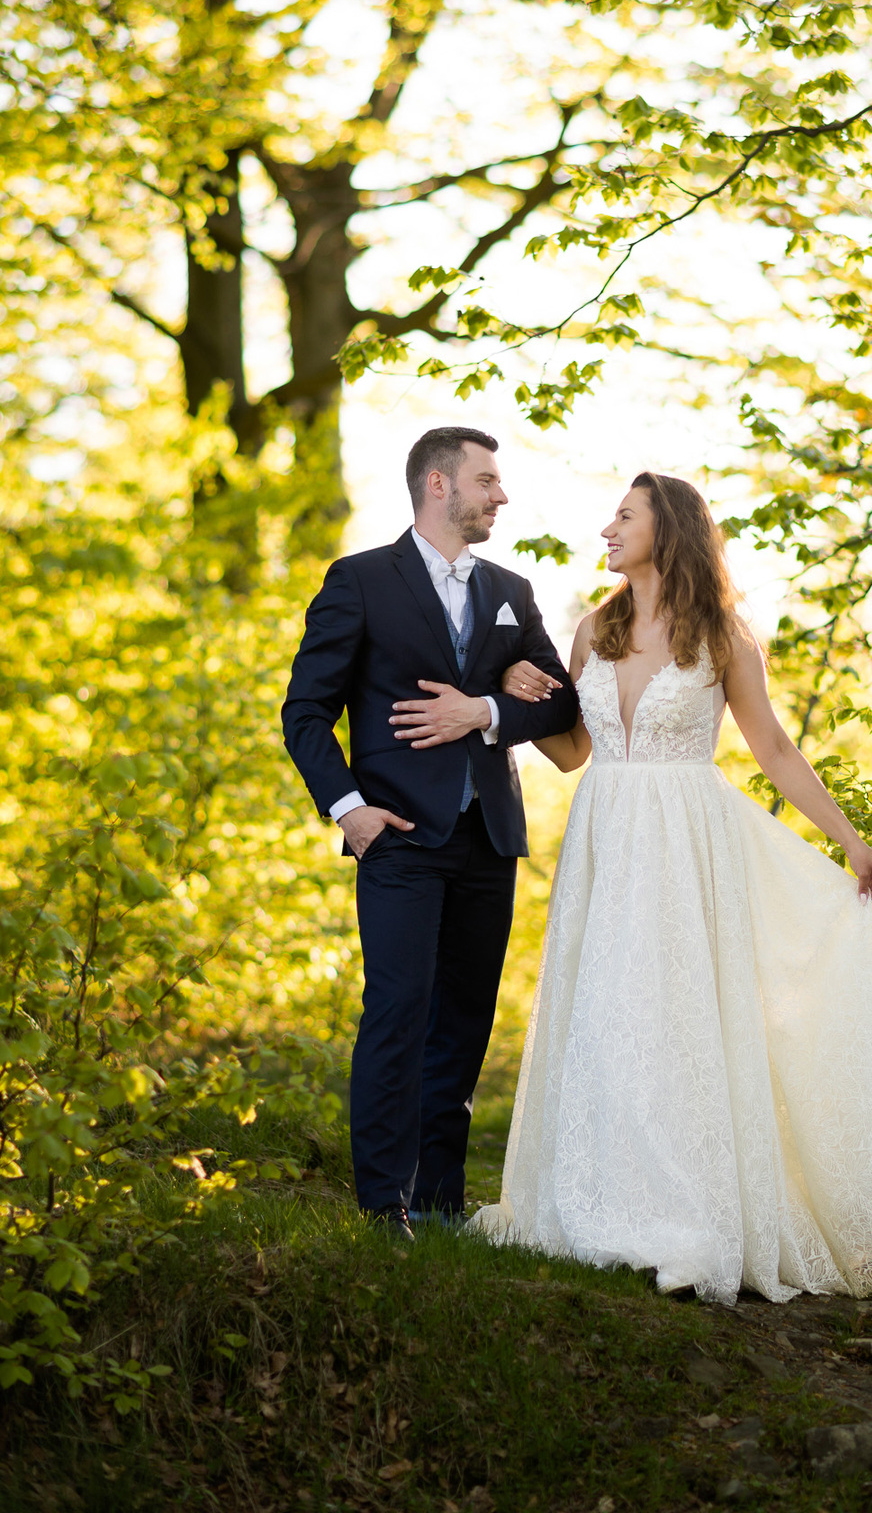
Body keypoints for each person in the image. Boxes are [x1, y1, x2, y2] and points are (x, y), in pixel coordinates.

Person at [473, 472, 872, 1301]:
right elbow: (573, 753)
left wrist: (851, 842)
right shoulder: (593, 629)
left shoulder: (724, 637)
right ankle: (599, 1198)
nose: (608, 528)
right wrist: (515, 697)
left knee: (676, 1016)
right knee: (605, 1008)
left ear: (670, 529)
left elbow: (775, 750)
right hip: (604, 838)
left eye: (625, 516)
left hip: (686, 845)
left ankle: (684, 1208)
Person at [281, 427, 578, 1236]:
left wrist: (484, 709)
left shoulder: (512, 589)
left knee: (464, 1020)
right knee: (398, 1013)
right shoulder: (360, 581)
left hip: (490, 836)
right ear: (439, 485)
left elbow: (561, 706)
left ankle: (441, 1204)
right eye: (487, 480)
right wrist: (350, 810)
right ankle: (384, 1206)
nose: (501, 495)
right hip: (398, 835)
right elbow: (305, 713)